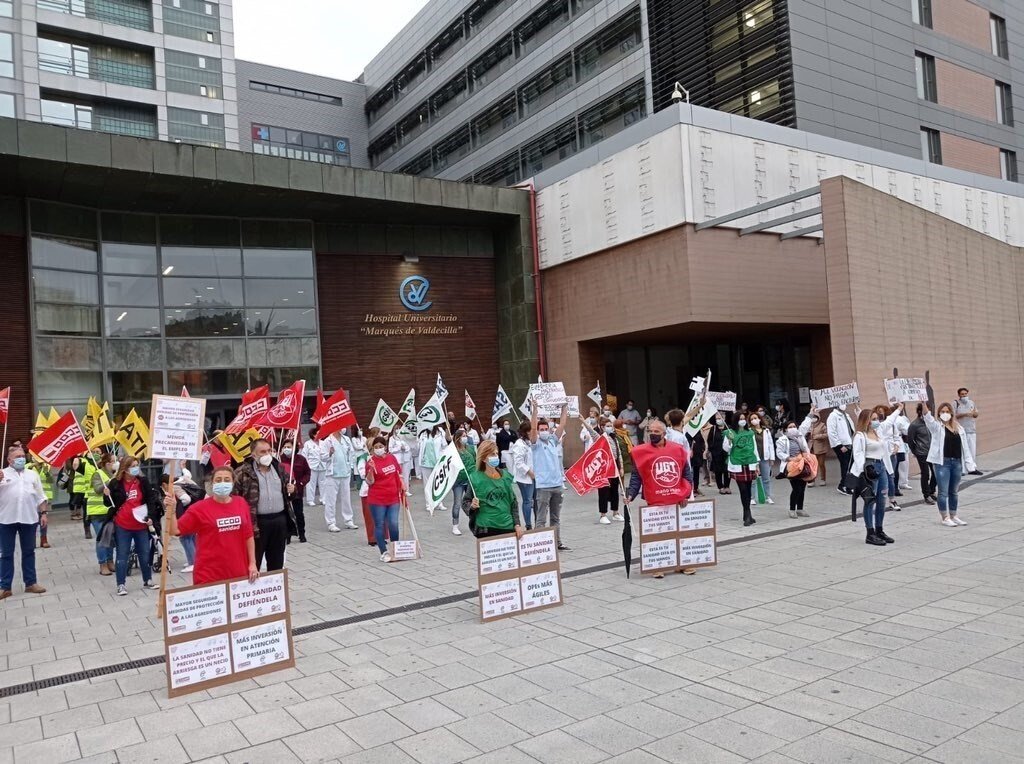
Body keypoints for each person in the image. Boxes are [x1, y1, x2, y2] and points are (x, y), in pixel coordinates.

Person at [166, 465, 258, 585]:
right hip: (209, 575)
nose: (222, 483)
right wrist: (172, 510)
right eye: (218, 480)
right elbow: (174, 530)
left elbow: (248, 536)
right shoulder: (199, 508)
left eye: (227, 480)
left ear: (233, 483)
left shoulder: (241, 503)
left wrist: (252, 563)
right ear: (212, 483)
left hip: (238, 572)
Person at [625, 420, 693, 578]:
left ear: (664, 433)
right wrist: (631, 494)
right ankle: (658, 565)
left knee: (679, 533)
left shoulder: (678, 449)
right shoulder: (641, 452)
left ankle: (682, 564)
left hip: (676, 498)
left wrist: (686, 494)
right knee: (658, 534)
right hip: (655, 499)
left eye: (656, 431)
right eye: (650, 431)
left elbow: (686, 474)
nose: (652, 434)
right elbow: (636, 476)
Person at [234, 439, 297, 572]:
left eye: (269, 451)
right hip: (256, 523)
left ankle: (275, 583)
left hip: (279, 521)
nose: (267, 454)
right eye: (262, 452)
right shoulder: (242, 473)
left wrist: (292, 490)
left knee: (277, 561)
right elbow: (234, 498)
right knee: (254, 562)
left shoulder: (279, 468)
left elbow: (289, 495)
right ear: (253, 454)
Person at [107, 456, 161, 596]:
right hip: (122, 525)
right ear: (125, 469)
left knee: (144, 553)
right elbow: (108, 503)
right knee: (122, 555)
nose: (136, 468)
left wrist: (150, 517)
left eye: (137, 465)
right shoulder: (115, 483)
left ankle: (148, 579)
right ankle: (121, 584)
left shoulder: (142, 481)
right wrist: (106, 495)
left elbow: (150, 500)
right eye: (133, 466)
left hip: (140, 524)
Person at [0, 447, 48, 599]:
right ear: (9, 460)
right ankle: (5, 587)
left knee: (29, 552)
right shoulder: (2, 474)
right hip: (6, 519)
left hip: (29, 518)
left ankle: (30, 583)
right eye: (17, 456)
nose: (21, 458)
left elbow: (40, 496)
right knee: (6, 554)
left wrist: (43, 513)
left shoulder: (32, 475)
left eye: (22, 455)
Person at [849, 408, 896, 546]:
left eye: (877, 419)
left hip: (881, 467)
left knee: (882, 500)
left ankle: (879, 529)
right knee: (870, 500)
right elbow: (858, 454)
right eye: (873, 419)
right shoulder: (860, 436)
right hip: (870, 468)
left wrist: (889, 470)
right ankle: (870, 533)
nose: (876, 421)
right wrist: (863, 470)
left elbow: (884, 450)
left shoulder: (877, 432)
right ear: (866, 420)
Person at [530, 402, 570, 551]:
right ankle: (539, 545)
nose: (544, 431)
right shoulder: (535, 444)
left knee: (555, 517)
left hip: (557, 485)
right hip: (543, 486)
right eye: (541, 429)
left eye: (546, 429)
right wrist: (535, 411)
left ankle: (557, 542)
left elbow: (562, 424)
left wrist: (564, 409)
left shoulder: (553, 440)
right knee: (541, 518)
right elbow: (533, 429)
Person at [924, 402, 968, 527]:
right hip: (943, 463)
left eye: (947, 412)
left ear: (951, 413)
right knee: (943, 491)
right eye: (942, 412)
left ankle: (954, 515)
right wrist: (923, 403)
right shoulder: (937, 427)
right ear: (939, 414)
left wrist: (969, 462)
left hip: (956, 462)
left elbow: (964, 446)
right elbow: (928, 417)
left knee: (954, 491)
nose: (945, 414)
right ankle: (945, 517)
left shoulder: (958, 428)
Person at [467, 441, 523, 539]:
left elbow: (513, 502)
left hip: (507, 526)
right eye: (492, 454)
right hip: (486, 528)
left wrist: (517, 524)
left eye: (497, 453)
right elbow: (466, 501)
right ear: (484, 458)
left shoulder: (505, 476)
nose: (496, 456)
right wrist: (472, 506)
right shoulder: (475, 478)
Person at [366, 436, 406, 561]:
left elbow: (398, 473)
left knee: (393, 523)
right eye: (376, 447)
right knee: (380, 524)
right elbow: (369, 481)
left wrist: (402, 484)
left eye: (380, 446)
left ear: (385, 447)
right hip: (377, 499)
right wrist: (371, 469)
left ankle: (395, 549)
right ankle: (383, 552)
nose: (378, 449)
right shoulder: (370, 462)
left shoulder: (391, 458)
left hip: (393, 497)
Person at [775, 410, 815, 518]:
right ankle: (792, 509)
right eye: (790, 427)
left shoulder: (799, 436)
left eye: (794, 426)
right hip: (791, 466)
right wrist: (789, 458)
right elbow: (779, 453)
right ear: (785, 430)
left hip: (802, 464)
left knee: (802, 487)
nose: (793, 428)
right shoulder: (782, 440)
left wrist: (811, 413)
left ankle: (800, 509)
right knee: (796, 488)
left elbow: (805, 425)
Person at [584, 416, 624, 524]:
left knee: (615, 490)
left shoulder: (614, 437)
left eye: (611, 426)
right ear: (602, 427)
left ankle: (615, 512)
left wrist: (621, 467)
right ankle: (603, 514)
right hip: (604, 467)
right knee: (603, 490)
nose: (610, 428)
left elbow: (619, 453)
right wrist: (583, 421)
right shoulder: (600, 437)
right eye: (608, 426)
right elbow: (592, 432)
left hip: (615, 466)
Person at [723, 413, 760, 526]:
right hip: (737, 463)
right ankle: (747, 513)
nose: (742, 421)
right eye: (740, 419)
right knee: (743, 490)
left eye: (744, 419)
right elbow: (726, 448)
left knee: (748, 490)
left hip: (750, 462)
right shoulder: (730, 432)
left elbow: (754, 448)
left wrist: (757, 463)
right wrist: (730, 440)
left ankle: (748, 514)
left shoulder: (750, 432)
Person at [324, 429, 358, 532]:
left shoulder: (346, 439)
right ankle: (331, 522)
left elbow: (352, 454)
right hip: (332, 474)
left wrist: (350, 466)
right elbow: (322, 457)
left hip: (345, 473)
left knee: (346, 498)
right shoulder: (327, 441)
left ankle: (348, 520)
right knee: (331, 499)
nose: (343, 429)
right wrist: (329, 453)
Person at [88, 453, 116, 573]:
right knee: (102, 538)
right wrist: (111, 481)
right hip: (97, 512)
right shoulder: (98, 474)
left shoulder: (114, 475)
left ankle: (110, 561)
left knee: (111, 538)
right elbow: (97, 488)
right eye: (113, 461)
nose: (115, 463)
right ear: (107, 463)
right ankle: (102, 563)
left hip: (109, 511)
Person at [278, 437, 310, 542]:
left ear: (294, 448)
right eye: (285, 447)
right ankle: (288, 535)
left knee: (299, 513)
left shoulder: (301, 459)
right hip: (284, 491)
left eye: (289, 447)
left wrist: (301, 483)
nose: (286, 449)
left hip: (297, 491)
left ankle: (302, 533)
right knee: (286, 514)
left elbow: (307, 473)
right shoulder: (279, 459)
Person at [906, 404, 937, 505]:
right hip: (922, 452)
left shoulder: (931, 422)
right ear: (919, 411)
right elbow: (910, 440)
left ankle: (932, 490)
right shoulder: (914, 425)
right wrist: (915, 451)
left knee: (936, 472)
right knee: (925, 473)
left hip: (932, 451)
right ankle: (926, 495)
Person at [451, 430, 476, 536]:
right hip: (458, 482)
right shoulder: (453, 451)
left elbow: (475, 461)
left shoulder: (470, 448)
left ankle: (474, 522)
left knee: (473, 502)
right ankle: (455, 525)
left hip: (470, 480)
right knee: (457, 503)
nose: (465, 438)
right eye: (463, 436)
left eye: (466, 435)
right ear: (458, 438)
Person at [511, 421, 535, 529]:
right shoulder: (519, 444)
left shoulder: (529, 442)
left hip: (534, 476)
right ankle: (528, 525)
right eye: (531, 431)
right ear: (527, 432)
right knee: (527, 501)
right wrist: (530, 473)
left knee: (536, 500)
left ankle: (538, 522)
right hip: (525, 478)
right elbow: (519, 463)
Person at [827, 404, 856, 494]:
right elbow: (832, 432)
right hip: (841, 445)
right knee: (845, 465)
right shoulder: (833, 416)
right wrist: (839, 445)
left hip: (849, 443)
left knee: (851, 465)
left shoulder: (846, 415)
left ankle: (848, 486)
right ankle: (843, 486)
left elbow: (851, 429)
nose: (844, 405)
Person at [954, 387, 982, 475]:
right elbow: (954, 416)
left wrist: (974, 413)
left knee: (972, 450)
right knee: (962, 450)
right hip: (961, 430)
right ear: (959, 395)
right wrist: (965, 414)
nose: (964, 396)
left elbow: (976, 414)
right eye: (962, 394)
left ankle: (972, 468)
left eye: (965, 394)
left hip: (971, 429)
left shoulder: (971, 402)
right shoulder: (956, 403)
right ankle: (962, 469)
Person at [749, 411, 775, 505]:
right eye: (752, 419)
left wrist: (772, 458)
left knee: (766, 478)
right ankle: (752, 498)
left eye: (755, 418)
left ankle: (768, 496)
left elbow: (771, 444)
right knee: (753, 479)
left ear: (759, 419)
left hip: (765, 457)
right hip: (754, 458)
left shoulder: (766, 431)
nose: (754, 420)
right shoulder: (749, 431)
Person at [300, 427, 331, 506]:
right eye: (317, 433)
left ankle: (323, 499)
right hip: (312, 466)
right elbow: (304, 456)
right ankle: (310, 500)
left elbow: (326, 454)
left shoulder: (323, 443)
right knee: (311, 483)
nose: (319, 434)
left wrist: (329, 453)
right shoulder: (308, 444)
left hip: (322, 465)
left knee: (323, 483)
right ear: (313, 435)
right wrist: (306, 466)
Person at [707, 414, 731, 494]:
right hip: (716, 454)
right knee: (718, 471)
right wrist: (712, 449)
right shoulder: (713, 429)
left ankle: (727, 486)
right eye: (717, 418)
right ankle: (720, 487)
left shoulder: (728, 428)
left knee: (727, 470)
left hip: (727, 453)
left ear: (724, 418)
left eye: (720, 418)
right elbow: (709, 440)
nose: (718, 420)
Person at [806, 411, 829, 487]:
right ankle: (812, 480)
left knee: (821, 464)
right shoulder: (809, 425)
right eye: (812, 417)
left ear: (818, 418)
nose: (813, 419)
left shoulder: (822, 425)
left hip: (820, 447)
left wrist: (818, 436)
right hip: (811, 447)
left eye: (815, 417)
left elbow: (827, 434)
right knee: (812, 465)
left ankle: (823, 479)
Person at [389, 428, 415, 494]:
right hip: (397, 459)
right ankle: (398, 491)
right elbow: (390, 450)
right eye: (396, 429)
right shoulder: (392, 438)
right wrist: (399, 448)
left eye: (399, 428)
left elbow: (409, 447)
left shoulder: (405, 437)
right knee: (398, 476)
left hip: (406, 459)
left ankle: (406, 490)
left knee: (406, 475)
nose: (398, 430)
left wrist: (405, 448)